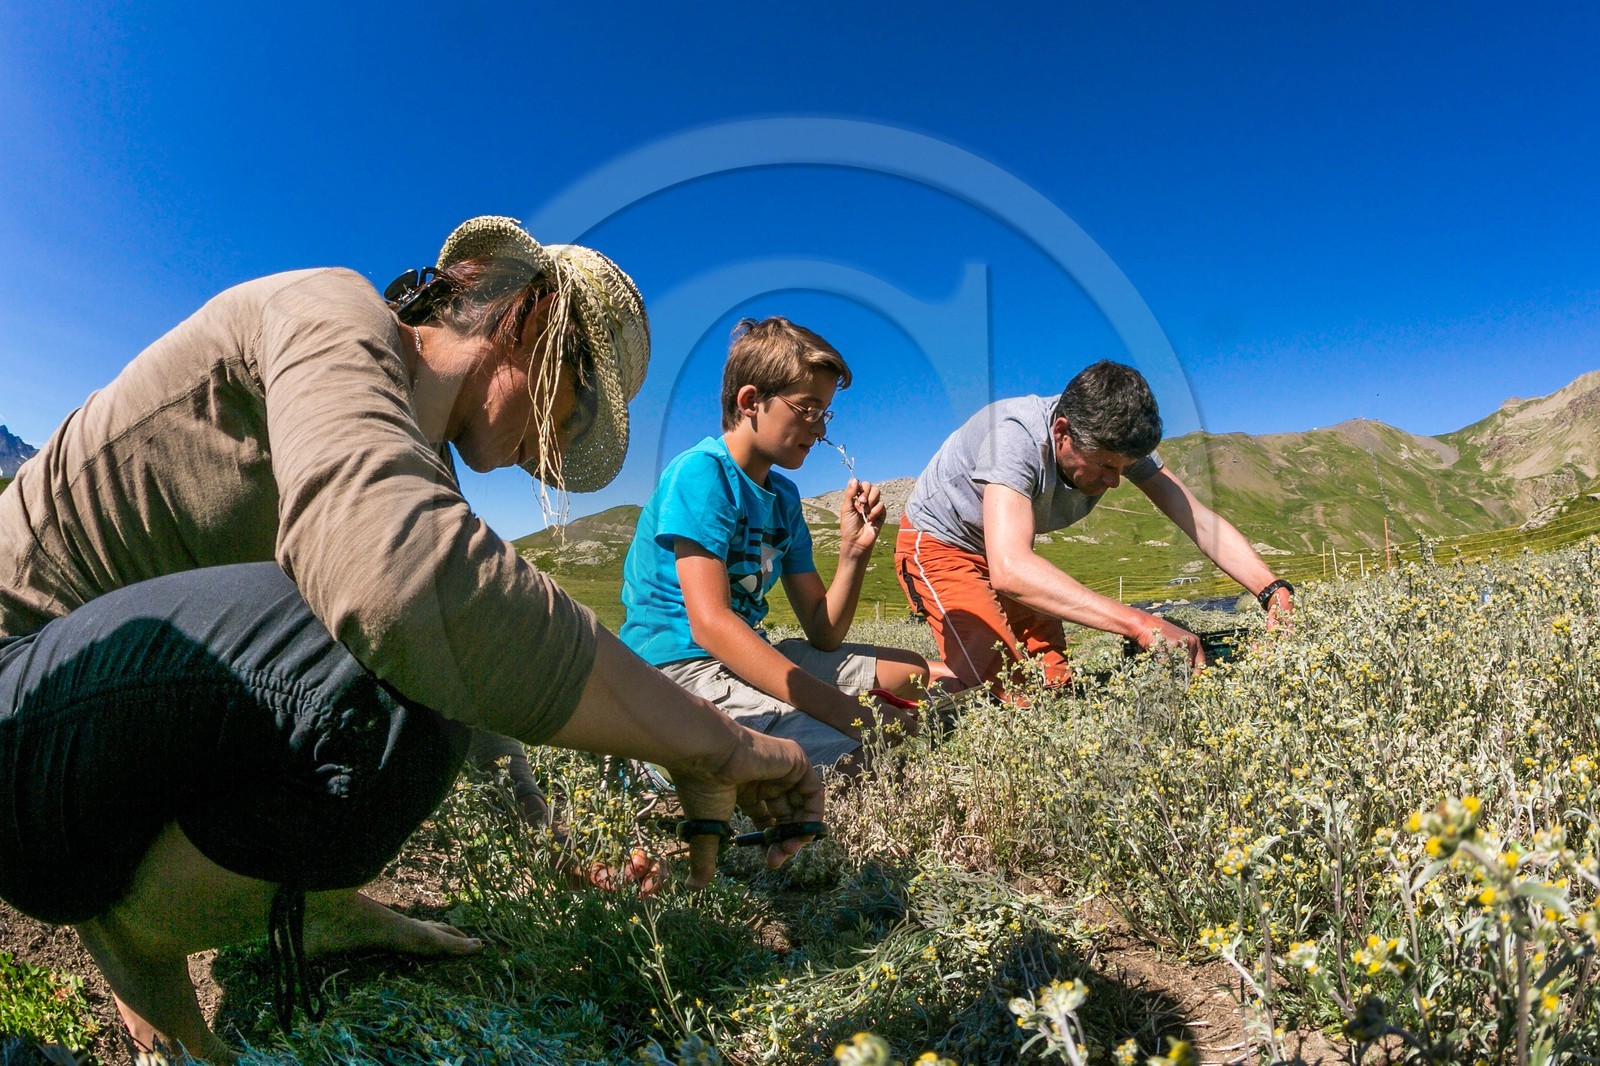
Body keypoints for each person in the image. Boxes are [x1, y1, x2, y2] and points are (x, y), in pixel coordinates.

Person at [0, 217, 823, 1063]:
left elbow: (470, 675)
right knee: (397, 686)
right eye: (574, 409)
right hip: (15, 716)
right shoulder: (327, 310)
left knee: (430, 670)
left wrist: (548, 844)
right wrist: (715, 745)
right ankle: (142, 933)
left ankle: (241, 923)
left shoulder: (415, 466)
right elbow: (404, 591)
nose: (548, 454)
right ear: (530, 320)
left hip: (97, 738)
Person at [619, 317, 930, 771]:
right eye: (807, 409)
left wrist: (854, 552)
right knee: (859, 758)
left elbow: (824, 633)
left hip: (749, 657)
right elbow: (710, 625)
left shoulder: (784, 499)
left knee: (915, 675)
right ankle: (659, 765)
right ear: (751, 401)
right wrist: (845, 713)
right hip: (679, 672)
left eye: (825, 412)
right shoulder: (703, 474)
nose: (820, 429)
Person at [894, 360, 1294, 696]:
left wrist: (1272, 590)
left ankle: (961, 667)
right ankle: (915, 675)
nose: (1116, 482)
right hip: (940, 544)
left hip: (1003, 546)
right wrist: (1141, 623)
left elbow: (1197, 519)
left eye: (1123, 468)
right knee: (1006, 692)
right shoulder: (1014, 438)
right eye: (1106, 467)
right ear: (1062, 432)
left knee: (1054, 683)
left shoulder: (1112, 437)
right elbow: (1011, 569)